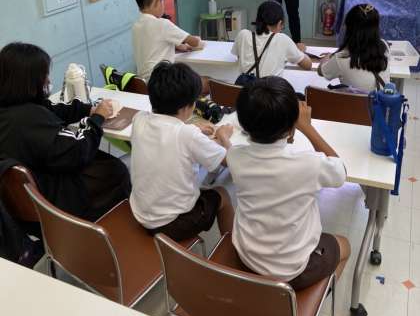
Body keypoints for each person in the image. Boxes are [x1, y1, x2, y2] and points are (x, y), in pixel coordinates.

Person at [227, 77, 350, 290]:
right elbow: (340, 172)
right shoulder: (308, 164)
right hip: (292, 270)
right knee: (345, 245)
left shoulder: (234, 156)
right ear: (292, 127)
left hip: (246, 257)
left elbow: (235, 150)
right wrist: (307, 127)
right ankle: (313, 298)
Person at [0, 42, 131, 221]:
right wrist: (97, 118)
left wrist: (87, 109)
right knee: (116, 169)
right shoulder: (29, 118)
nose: (48, 80)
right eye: (44, 75)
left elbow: (50, 109)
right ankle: (113, 223)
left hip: (27, 190)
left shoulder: (13, 108)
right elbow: (78, 150)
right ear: (29, 80)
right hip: (56, 193)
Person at [130, 61, 234, 241]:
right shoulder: (187, 135)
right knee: (222, 195)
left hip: (140, 212)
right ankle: (230, 248)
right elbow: (230, 161)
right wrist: (224, 136)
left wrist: (192, 128)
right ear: (188, 106)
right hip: (170, 224)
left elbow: (168, 130)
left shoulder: (139, 119)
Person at [132, 0, 202, 82]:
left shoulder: (136, 26)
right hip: (162, 82)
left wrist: (176, 45)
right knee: (204, 81)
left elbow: (152, 44)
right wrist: (195, 40)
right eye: (162, 2)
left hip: (143, 83)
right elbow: (194, 42)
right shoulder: (162, 24)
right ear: (157, 2)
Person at [318, 4, 390, 91]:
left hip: (350, 100)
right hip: (381, 99)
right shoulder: (384, 47)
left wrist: (327, 58)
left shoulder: (340, 59)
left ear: (349, 29)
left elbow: (321, 71)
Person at [232, 0, 312, 78]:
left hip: (244, 86)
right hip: (270, 87)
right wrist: (300, 51)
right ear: (279, 23)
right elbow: (308, 65)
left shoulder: (242, 34)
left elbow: (241, 58)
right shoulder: (283, 39)